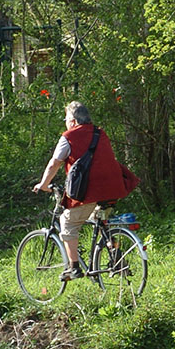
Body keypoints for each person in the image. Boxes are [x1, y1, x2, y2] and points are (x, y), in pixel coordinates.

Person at [33, 101, 138, 281]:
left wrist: (43, 184)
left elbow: (54, 163)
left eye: (66, 119)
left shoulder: (69, 136)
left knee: (68, 223)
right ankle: (116, 256)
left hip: (90, 191)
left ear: (73, 121)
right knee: (99, 219)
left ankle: (73, 268)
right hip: (113, 187)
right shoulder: (100, 133)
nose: (65, 123)